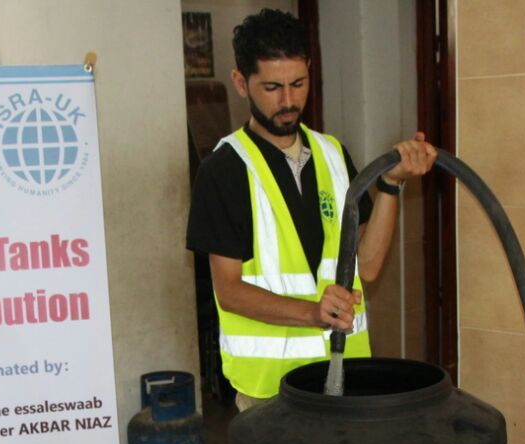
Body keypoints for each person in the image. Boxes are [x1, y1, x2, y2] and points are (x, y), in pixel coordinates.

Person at [186, 8, 437, 410]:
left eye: (298, 83)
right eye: (271, 87)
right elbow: (229, 291)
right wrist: (312, 313)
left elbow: (368, 266)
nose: (288, 101)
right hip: (271, 395)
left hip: (344, 383)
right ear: (240, 82)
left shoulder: (333, 154)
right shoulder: (226, 170)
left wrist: (392, 182)